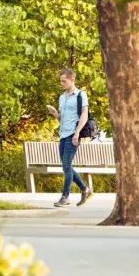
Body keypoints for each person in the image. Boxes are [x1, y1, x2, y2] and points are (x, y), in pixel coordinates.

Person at [46, 68, 93, 207]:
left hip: (73, 134)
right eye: (61, 81)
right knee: (66, 166)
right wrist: (55, 114)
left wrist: (77, 133)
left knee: (66, 165)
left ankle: (65, 197)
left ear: (72, 80)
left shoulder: (80, 95)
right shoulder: (62, 97)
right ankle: (85, 189)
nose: (62, 83)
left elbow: (84, 115)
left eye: (64, 81)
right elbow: (62, 119)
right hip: (63, 134)